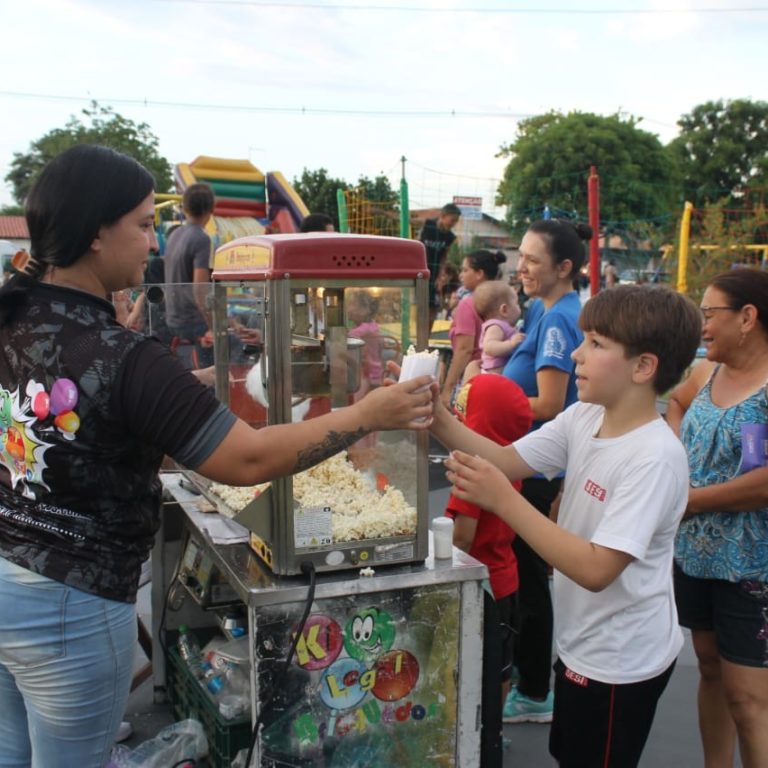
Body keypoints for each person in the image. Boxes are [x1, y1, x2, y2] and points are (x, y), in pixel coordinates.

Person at [0, 145, 436, 768]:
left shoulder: (17, 316)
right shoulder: (121, 354)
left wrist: (193, 374)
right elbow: (248, 461)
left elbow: (89, 416)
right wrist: (368, 415)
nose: (154, 243)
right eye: (145, 224)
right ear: (97, 232)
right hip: (73, 603)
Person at [435, 284, 702, 768]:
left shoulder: (654, 458)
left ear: (644, 367)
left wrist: (503, 500)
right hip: (584, 638)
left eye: (597, 344)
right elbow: (503, 458)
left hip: (620, 659)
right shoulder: (585, 415)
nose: (576, 353)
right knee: (571, 750)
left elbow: (598, 568)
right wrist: (433, 415)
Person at [666, 268, 768, 768]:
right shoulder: (706, 373)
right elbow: (677, 405)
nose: (702, 326)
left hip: (753, 569)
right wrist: (679, 452)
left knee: (749, 699)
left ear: (747, 317)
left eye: (710, 314)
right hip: (696, 557)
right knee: (709, 671)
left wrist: (691, 498)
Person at [500, 218, 588, 723]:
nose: (522, 266)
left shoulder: (557, 319)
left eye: (532, 259)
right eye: (521, 255)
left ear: (564, 268)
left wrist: (483, 396)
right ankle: (533, 685)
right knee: (528, 576)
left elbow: (551, 402)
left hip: (535, 469)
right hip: (530, 464)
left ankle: (534, 690)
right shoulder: (545, 310)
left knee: (529, 581)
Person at [444, 374, 533, 767]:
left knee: (475, 666)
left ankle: (478, 736)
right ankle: (495, 730)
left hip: (481, 590)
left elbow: (462, 537)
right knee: (501, 666)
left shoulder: (474, 475)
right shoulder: (509, 468)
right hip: (507, 579)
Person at [440, 249, 506, 407]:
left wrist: (447, 389)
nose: (461, 275)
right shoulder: (503, 300)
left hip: (473, 377)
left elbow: (464, 350)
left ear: (479, 274)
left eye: (465, 270)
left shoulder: (468, 304)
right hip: (499, 376)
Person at [164, 182, 216, 367]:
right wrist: (213, 325)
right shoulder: (201, 238)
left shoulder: (174, 235)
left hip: (172, 319)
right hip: (193, 323)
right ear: (211, 210)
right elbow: (200, 291)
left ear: (185, 207)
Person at [463, 279, 525, 380]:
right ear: (504, 310)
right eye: (516, 303)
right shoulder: (495, 326)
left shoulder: (504, 325)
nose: (519, 307)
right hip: (492, 374)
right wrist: (511, 344)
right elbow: (489, 346)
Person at [418, 202, 461, 330]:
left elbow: (444, 257)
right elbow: (407, 219)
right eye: (452, 220)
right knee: (419, 305)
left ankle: (426, 338)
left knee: (433, 307)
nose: (453, 224)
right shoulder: (427, 225)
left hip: (434, 272)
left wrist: (441, 275)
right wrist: (384, 213)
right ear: (443, 216)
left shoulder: (450, 237)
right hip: (418, 269)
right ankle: (416, 335)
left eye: (456, 221)